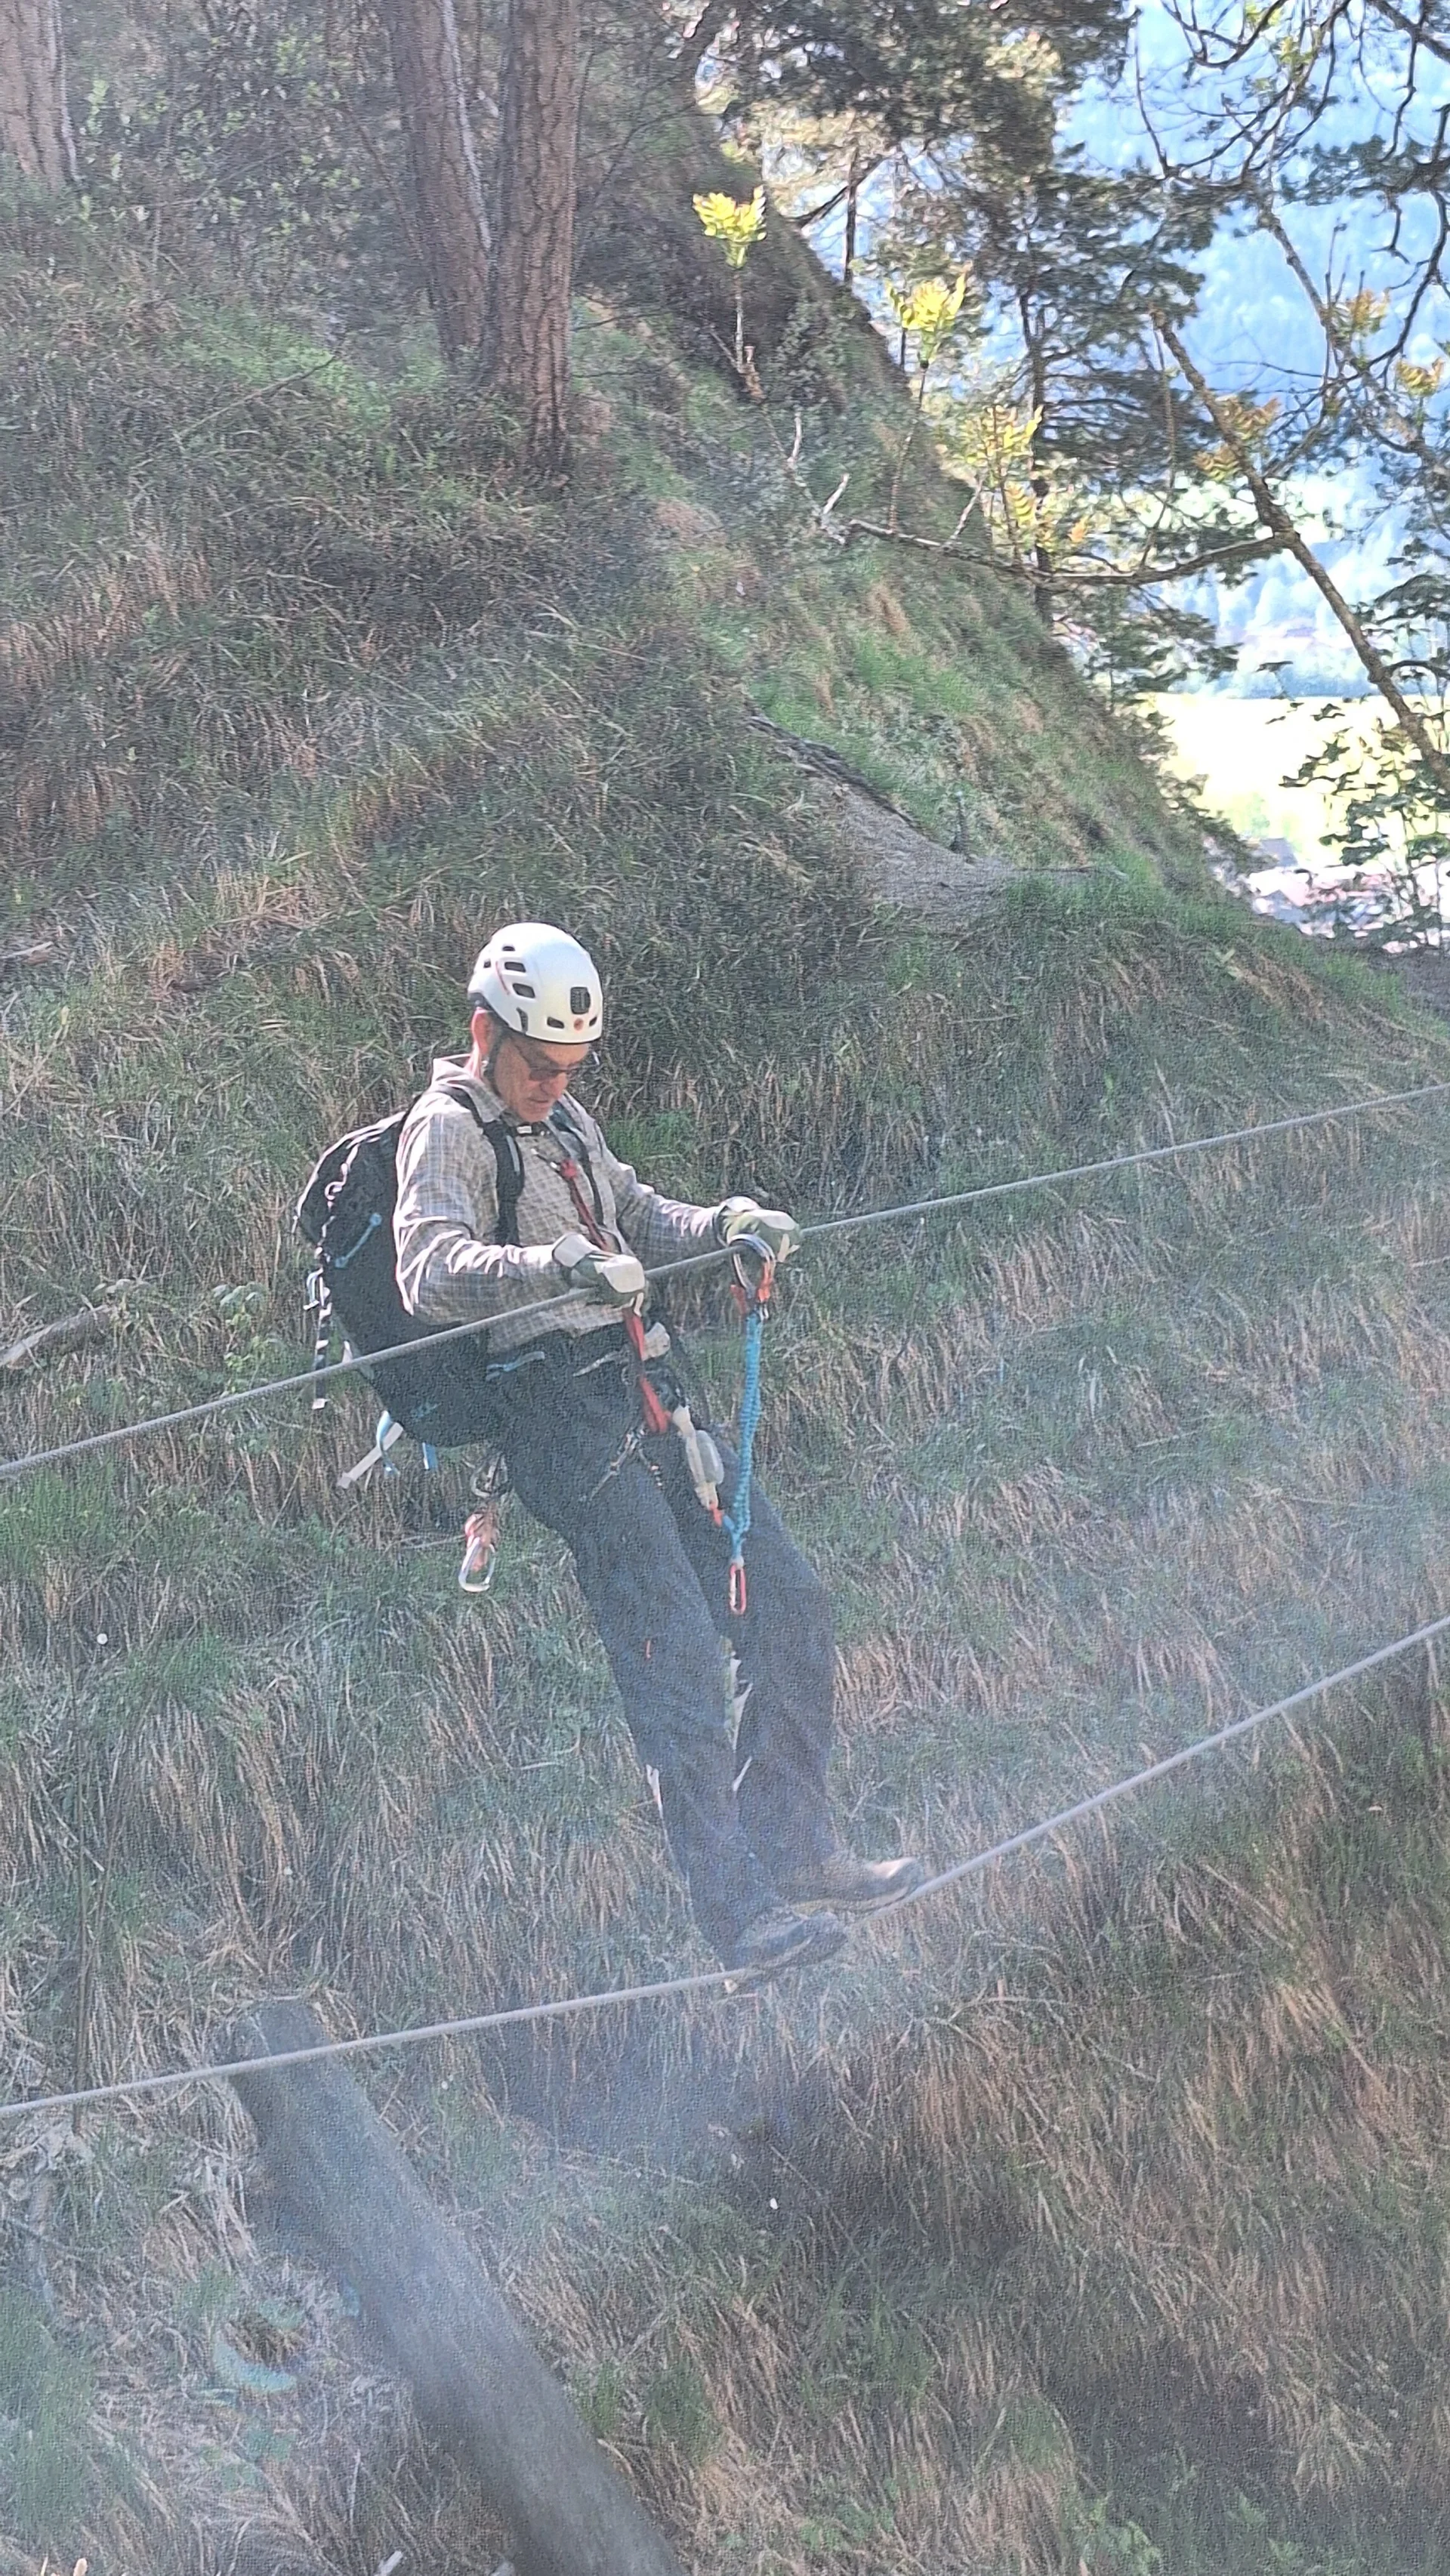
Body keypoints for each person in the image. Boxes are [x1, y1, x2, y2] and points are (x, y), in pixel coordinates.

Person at [393, 921, 924, 1976]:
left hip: (648, 1390)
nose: (553, 1084)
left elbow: (633, 1209)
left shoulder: (564, 1116)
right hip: (558, 1413)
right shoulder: (446, 1129)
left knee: (786, 1599)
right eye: (538, 1066)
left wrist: (724, 1221)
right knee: (674, 1651)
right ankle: (740, 1921)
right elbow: (426, 1269)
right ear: (482, 1031)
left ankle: (797, 1842)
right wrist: (557, 1265)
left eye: (570, 1068)